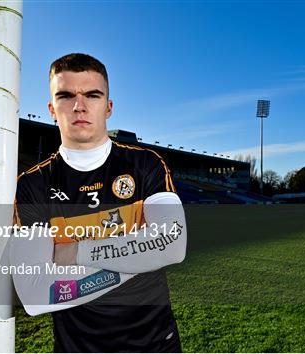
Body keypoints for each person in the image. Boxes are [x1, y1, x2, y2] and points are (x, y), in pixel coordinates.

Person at [10, 53, 186, 352]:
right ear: (52, 109)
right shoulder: (32, 184)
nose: (79, 106)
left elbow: (172, 245)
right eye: (66, 96)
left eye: (92, 94)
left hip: (156, 343)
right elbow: (37, 292)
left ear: (108, 107)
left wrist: (75, 251)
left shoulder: (146, 164)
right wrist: (141, 258)